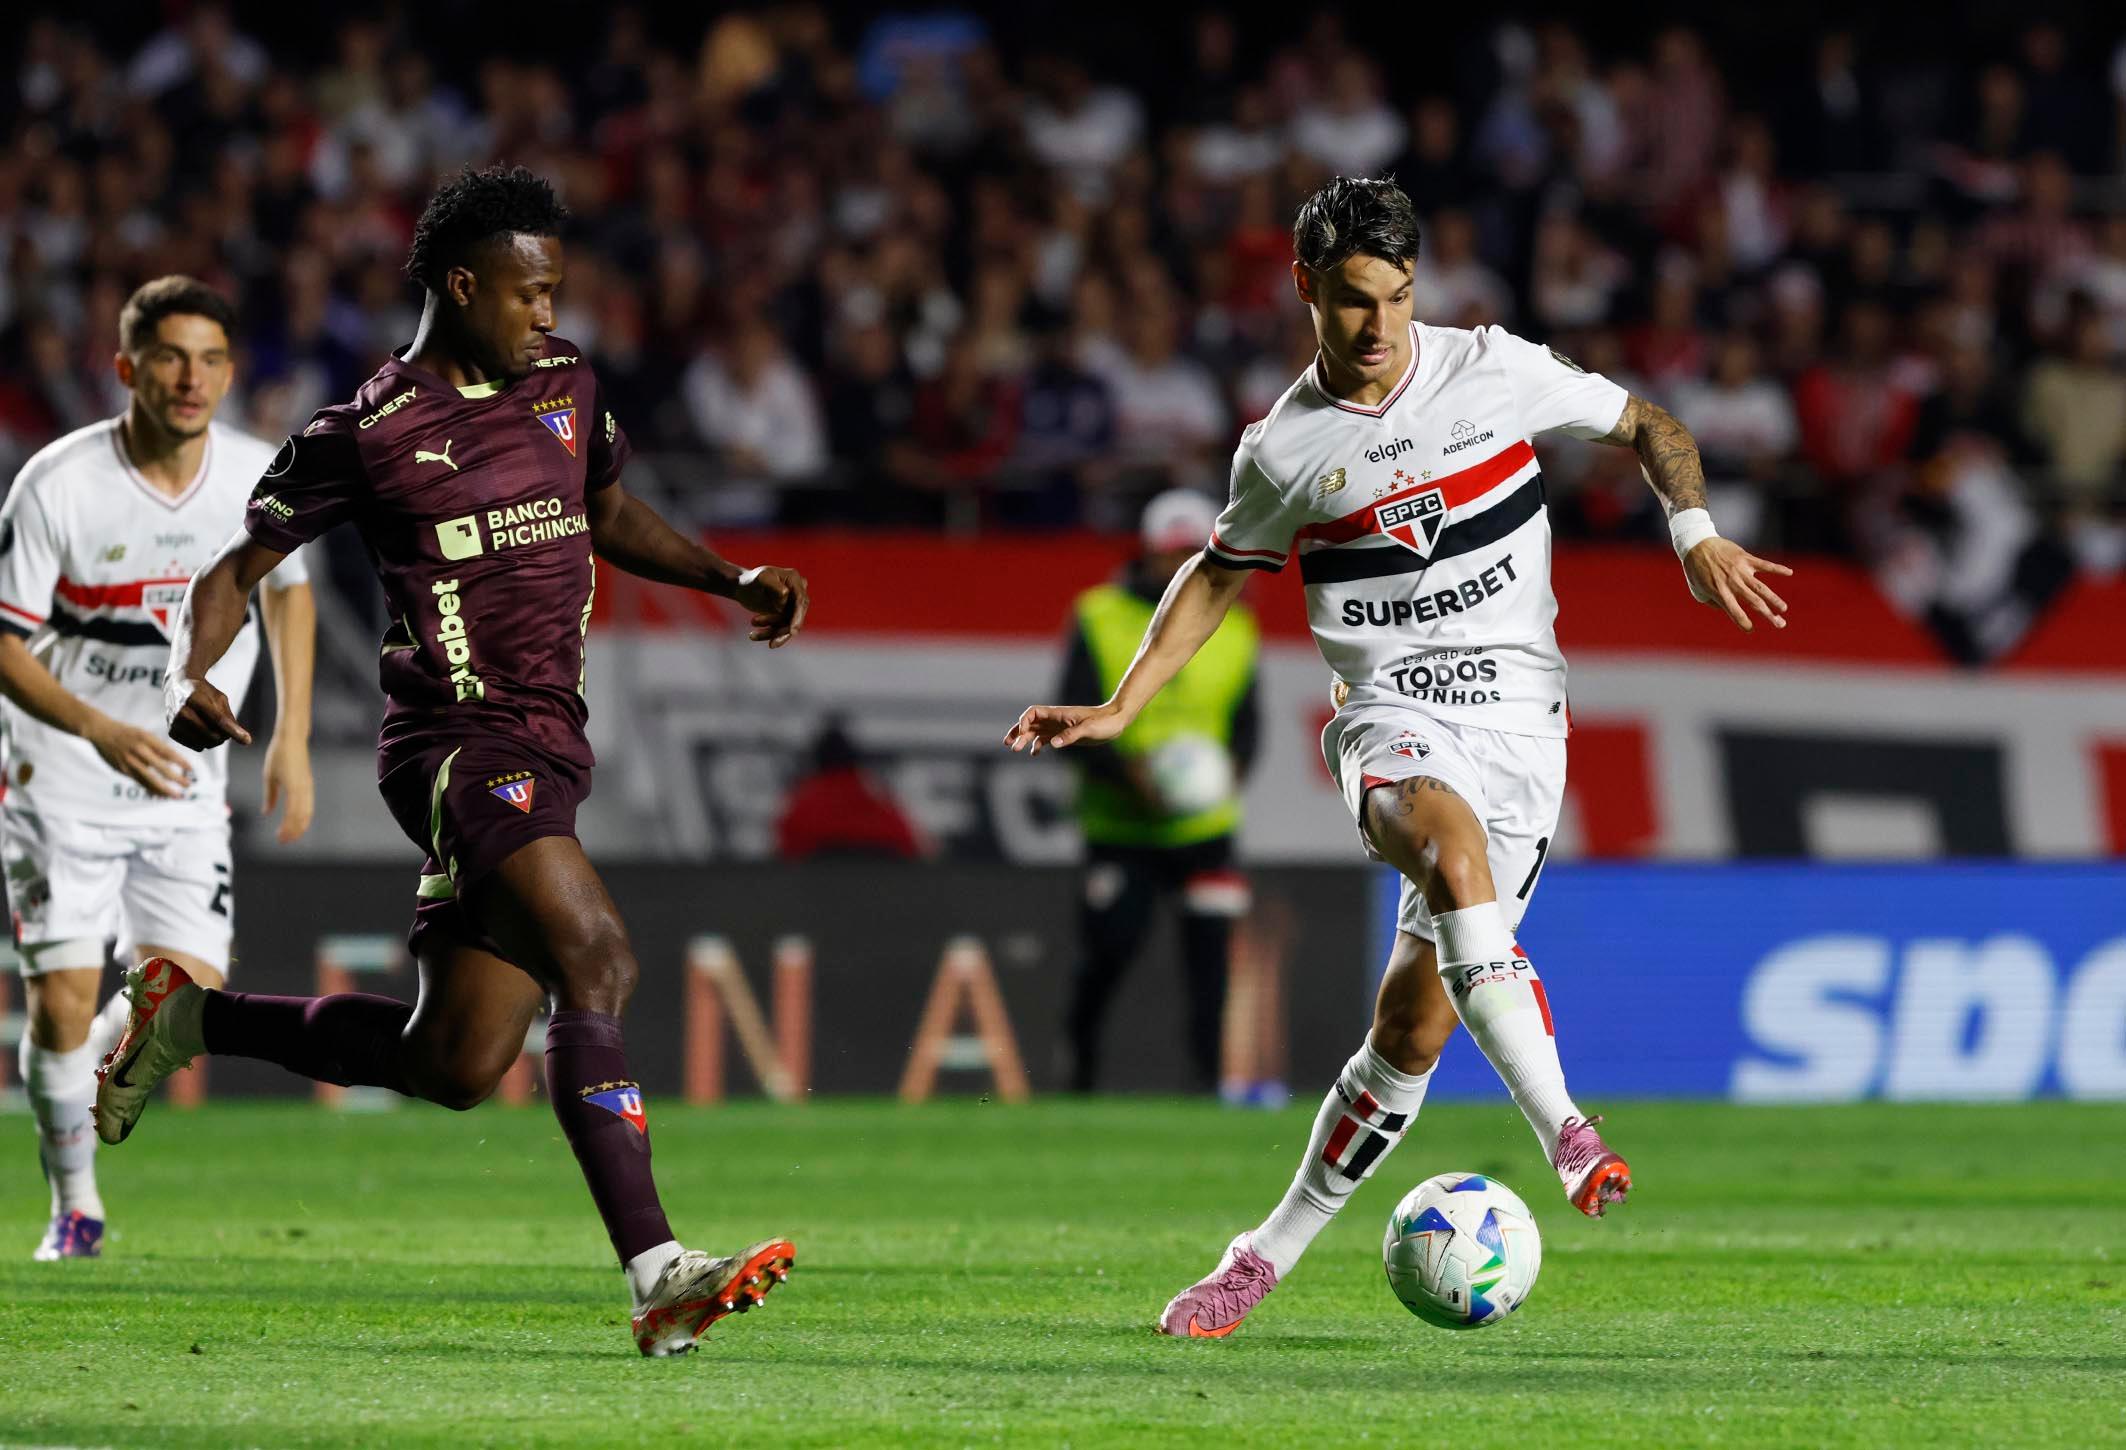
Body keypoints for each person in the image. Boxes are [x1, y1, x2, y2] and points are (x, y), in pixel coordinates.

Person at [1005, 176, 1792, 1338]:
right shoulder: (1281, 449)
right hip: (1387, 712)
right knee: (1446, 843)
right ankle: (1565, 1129)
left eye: (1394, 296)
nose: (1377, 327)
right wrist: (1123, 705)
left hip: (1526, 726)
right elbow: (1219, 571)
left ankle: (1255, 1257)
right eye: (1350, 303)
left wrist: (1692, 532)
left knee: (1410, 1034)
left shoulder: (1490, 370)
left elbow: (1648, 427)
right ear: (1304, 291)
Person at [93, 166, 811, 1357]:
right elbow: (235, 571)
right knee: (599, 954)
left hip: (552, 741)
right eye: (529, 293)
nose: (547, 314)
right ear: (462, 284)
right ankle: (659, 1272)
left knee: (459, 1059)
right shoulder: (365, 432)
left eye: (555, 293)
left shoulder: (568, 384)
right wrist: (193, 674)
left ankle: (188, 1023)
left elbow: (607, 509)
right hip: (452, 746)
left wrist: (727, 576)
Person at [0, 276, 315, 1261]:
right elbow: (4, 643)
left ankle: (79, 1076)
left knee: (179, 997)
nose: (192, 378)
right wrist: (97, 727)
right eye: (171, 358)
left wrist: (294, 733)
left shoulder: (259, 474)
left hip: (183, 783)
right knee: (58, 997)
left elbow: (291, 595)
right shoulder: (58, 482)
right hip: (63, 775)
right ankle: (75, 1207)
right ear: (128, 367)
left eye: (212, 359)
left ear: (230, 371)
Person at [1057, 488, 1259, 1094]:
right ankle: (1080, 1072)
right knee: (1110, 949)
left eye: (1191, 555)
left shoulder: (1237, 625)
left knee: (1210, 964)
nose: (1180, 567)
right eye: (1170, 554)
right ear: (1146, 553)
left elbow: (1248, 727)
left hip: (1205, 830)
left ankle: (1206, 1087)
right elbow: (1074, 719)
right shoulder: (1098, 615)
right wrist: (1130, 778)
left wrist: (1226, 775)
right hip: (1121, 827)